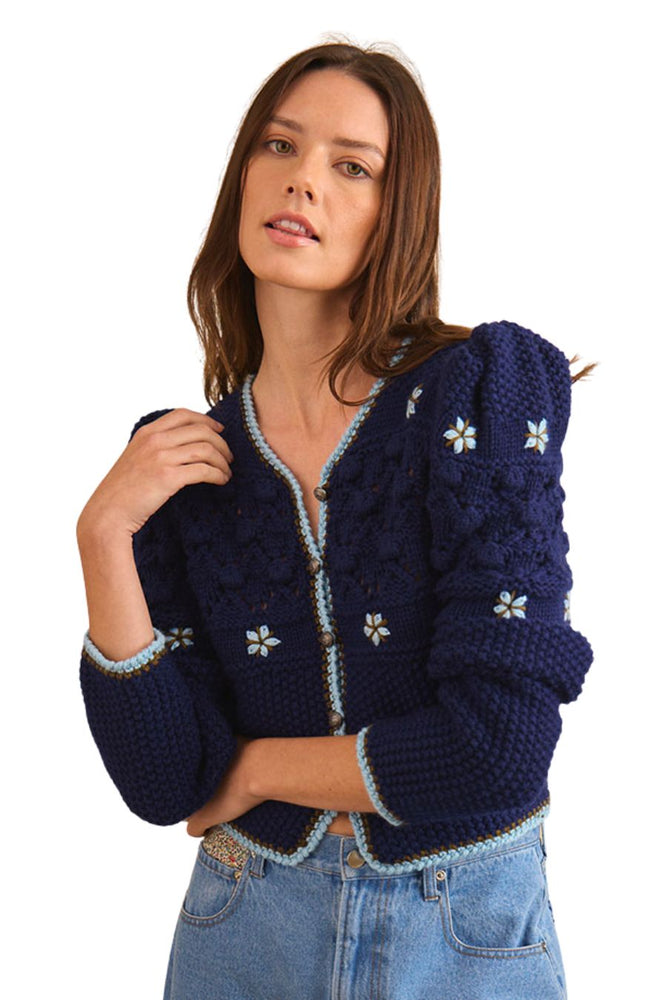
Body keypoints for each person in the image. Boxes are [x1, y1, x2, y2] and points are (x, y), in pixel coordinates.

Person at [76, 41, 593, 1000]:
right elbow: (165, 781)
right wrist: (102, 535)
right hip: (244, 926)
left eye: (352, 166)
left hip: (460, 933)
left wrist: (254, 770)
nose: (302, 179)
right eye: (278, 146)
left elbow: (496, 749)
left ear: (398, 212)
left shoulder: (475, 396)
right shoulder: (180, 464)